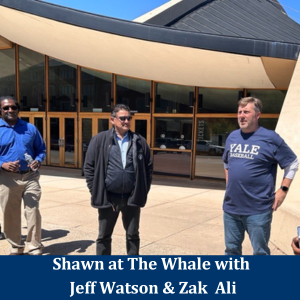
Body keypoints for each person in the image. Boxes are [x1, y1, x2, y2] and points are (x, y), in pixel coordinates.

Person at [222, 97, 298, 255]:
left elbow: (293, 162)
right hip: (231, 208)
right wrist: (229, 184)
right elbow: (226, 163)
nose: (241, 115)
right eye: (239, 112)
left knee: (260, 253)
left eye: (246, 112)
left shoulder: (271, 138)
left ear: (257, 115)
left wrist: (283, 190)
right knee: (231, 250)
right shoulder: (232, 137)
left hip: (258, 210)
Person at [84, 104, 153, 255]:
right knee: (103, 236)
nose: (126, 121)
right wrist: (95, 190)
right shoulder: (99, 140)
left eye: (129, 118)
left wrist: (143, 190)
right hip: (109, 198)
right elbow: (89, 168)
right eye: (122, 118)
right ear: (112, 120)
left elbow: (148, 168)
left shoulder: (139, 141)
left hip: (131, 198)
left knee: (133, 235)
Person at [0, 96, 46, 255]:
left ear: (18, 110)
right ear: (1, 111)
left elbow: (41, 149)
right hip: (7, 178)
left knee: (32, 210)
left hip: (30, 177)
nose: (10, 110)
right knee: (10, 213)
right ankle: (16, 246)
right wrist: (2, 164)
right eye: (6, 108)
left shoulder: (30, 128)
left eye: (13, 107)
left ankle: (34, 246)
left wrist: (38, 161)